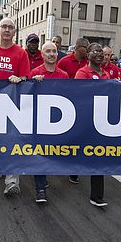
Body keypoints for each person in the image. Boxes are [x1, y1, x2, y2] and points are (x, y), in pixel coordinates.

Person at [0, 17, 30, 195]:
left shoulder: (21, 53)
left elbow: (25, 77)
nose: (7, 30)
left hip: (12, 105)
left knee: (12, 140)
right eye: (4, 26)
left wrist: (19, 79)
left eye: (11, 27)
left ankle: (12, 181)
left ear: (15, 32)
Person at [28, 41, 68, 203]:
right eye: (48, 51)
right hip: (39, 121)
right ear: (42, 55)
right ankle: (40, 189)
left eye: (54, 51)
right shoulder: (34, 73)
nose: (51, 54)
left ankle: (43, 179)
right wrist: (32, 84)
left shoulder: (64, 76)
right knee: (40, 154)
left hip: (59, 122)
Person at [73, 42, 109, 207]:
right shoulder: (82, 73)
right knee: (79, 152)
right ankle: (73, 171)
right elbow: (80, 96)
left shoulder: (106, 74)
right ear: (88, 55)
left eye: (101, 51)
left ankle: (96, 195)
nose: (100, 54)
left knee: (98, 157)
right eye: (95, 51)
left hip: (102, 123)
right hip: (86, 121)